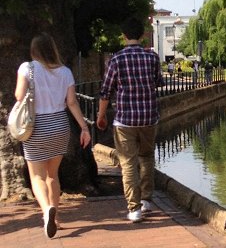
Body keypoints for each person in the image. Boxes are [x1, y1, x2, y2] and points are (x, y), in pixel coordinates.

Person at [14, 33, 91, 238]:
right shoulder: (65, 72)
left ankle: (47, 210)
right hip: (59, 125)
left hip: (36, 126)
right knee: (52, 175)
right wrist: (84, 127)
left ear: (34, 51)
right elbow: (72, 102)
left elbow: (19, 96)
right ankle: (56, 219)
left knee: (37, 175)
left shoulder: (26, 68)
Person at [96, 17, 164, 223]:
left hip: (125, 119)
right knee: (147, 157)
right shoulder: (152, 57)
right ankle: (147, 200)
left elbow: (106, 92)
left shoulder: (115, 60)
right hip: (149, 117)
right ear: (143, 35)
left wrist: (100, 116)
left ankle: (134, 209)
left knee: (128, 163)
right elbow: (158, 82)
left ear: (124, 36)